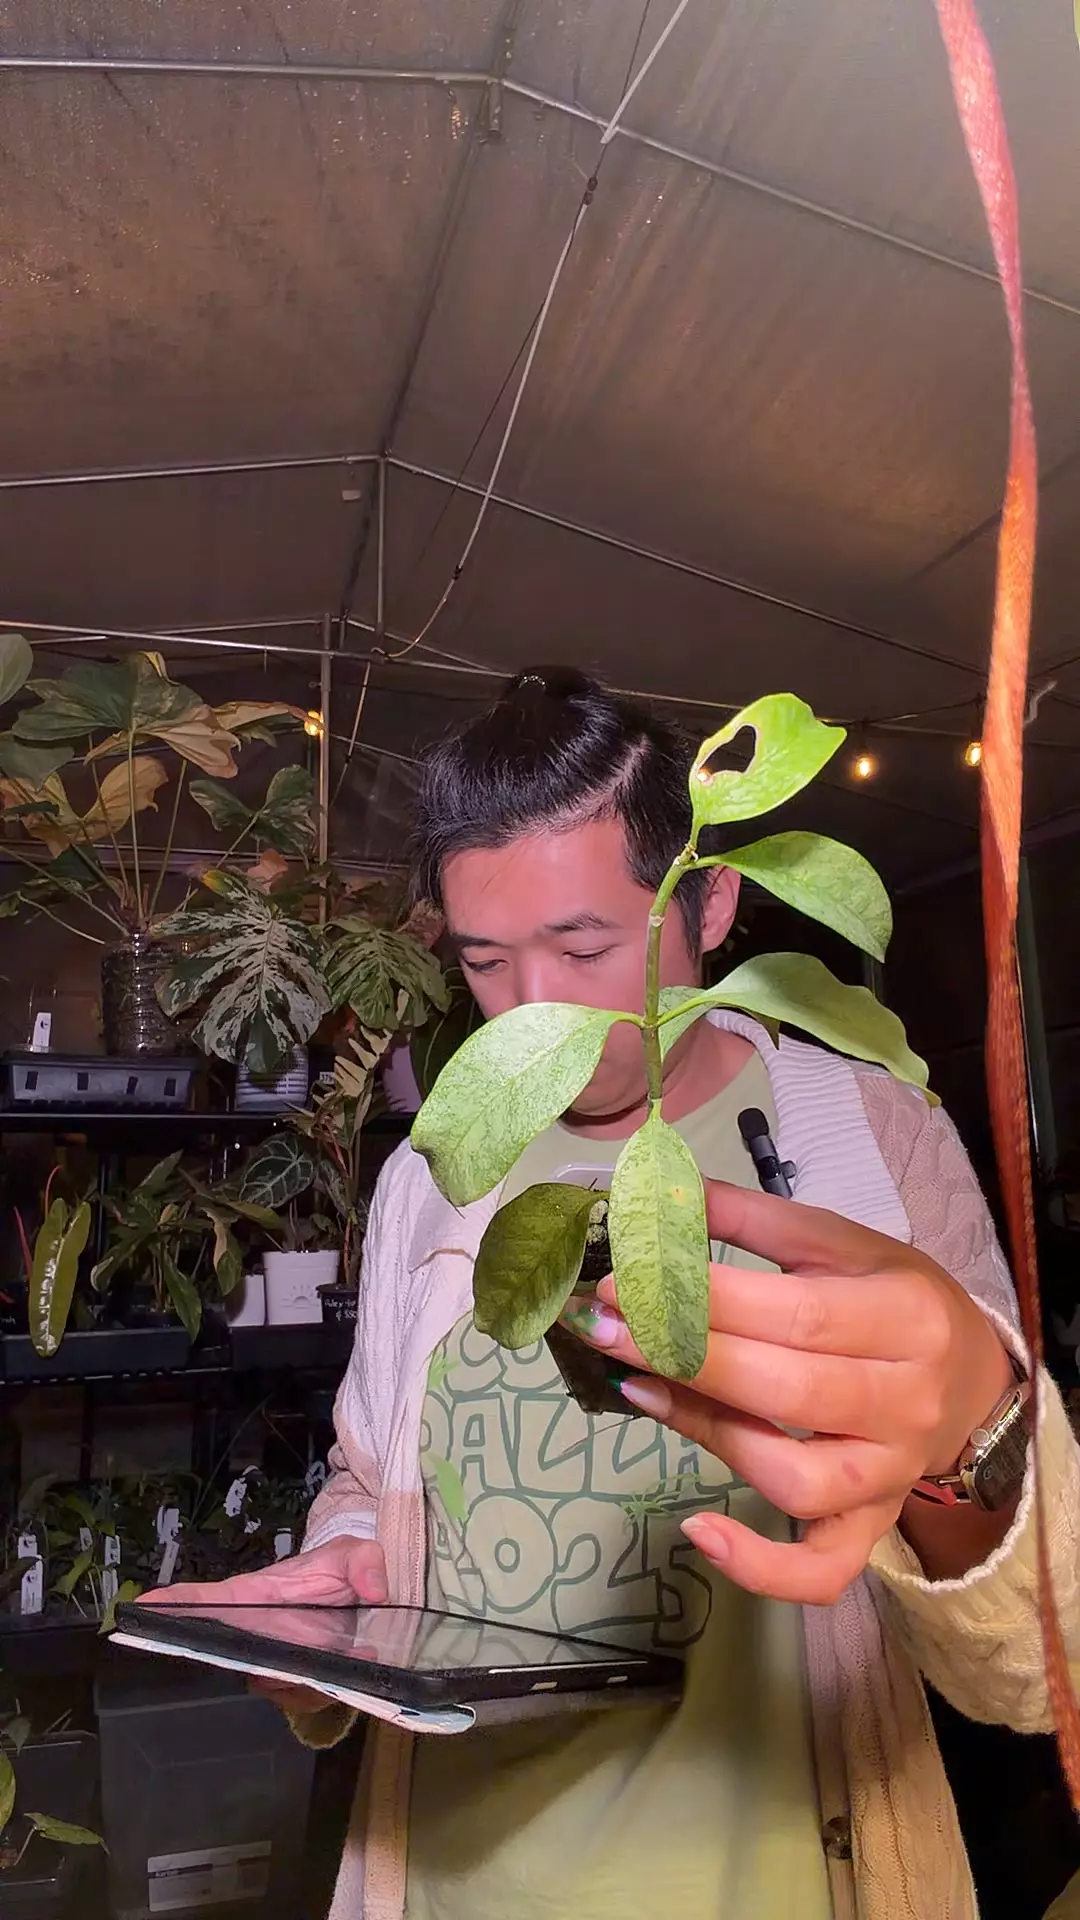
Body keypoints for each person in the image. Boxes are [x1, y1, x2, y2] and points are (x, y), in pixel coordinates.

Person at [155, 669, 1080, 1920]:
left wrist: (969, 1432)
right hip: (452, 1876)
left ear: (712, 904)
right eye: (486, 961)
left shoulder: (872, 1139)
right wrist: (341, 1603)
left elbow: (1033, 1665)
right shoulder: (436, 1174)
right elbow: (375, 1476)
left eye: (587, 946)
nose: (535, 1013)